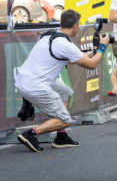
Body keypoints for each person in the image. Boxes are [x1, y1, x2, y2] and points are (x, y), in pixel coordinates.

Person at [16, 10, 109, 152]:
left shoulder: (51, 34)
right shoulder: (65, 45)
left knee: (65, 93)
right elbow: (91, 65)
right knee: (66, 120)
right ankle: (31, 134)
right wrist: (102, 47)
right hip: (36, 87)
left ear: (61, 23)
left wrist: (91, 53)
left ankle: (61, 137)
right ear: (76, 25)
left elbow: (72, 59)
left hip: (23, 82)